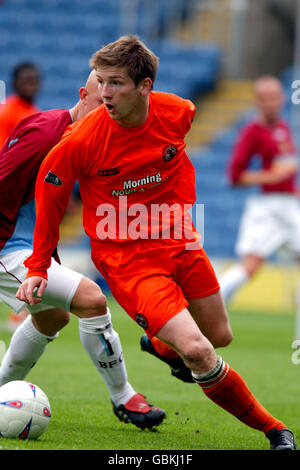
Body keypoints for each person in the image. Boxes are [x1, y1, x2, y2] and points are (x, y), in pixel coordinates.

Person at [17, 37, 296, 450]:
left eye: (116, 83)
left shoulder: (179, 112)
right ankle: (277, 431)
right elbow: (50, 195)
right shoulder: (81, 141)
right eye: (102, 82)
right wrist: (39, 267)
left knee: (219, 335)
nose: (106, 94)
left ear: (145, 86)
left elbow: (175, 155)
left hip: (179, 241)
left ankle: (160, 345)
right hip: (128, 260)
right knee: (201, 352)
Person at [0, 69, 165, 430]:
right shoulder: (46, 133)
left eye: (114, 106)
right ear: (83, 95)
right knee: (91, 299)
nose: (109, 113)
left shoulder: (81, 139)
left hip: (26, 244)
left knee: (52, 317)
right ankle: (125, 398)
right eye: (102, 103)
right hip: (5, 245)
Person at [219, 76, 300, 310]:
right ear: (258, 102)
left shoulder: (283, 127)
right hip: (267, 208)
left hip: (288, 204)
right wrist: (269, 177)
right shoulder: (252, 131)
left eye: (275, 97)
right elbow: (235, 176)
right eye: (266, 98)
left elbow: (284, 172)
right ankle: (214, 305)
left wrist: (292, 190)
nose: (272, 102)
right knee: (250, 266)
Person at [0, 62, 41, 330]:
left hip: (25, 195)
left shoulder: (33, 114)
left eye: (35, 80)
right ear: (14, 83)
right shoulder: (8, 113)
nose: (32, 84)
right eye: (26, 79)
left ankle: (21, 311)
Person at [0, 62, 41, 147]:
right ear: (15, 84)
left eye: (34, 81)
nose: (31, 86)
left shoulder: (33, 109)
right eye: (26, 82)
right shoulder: (6, 112)